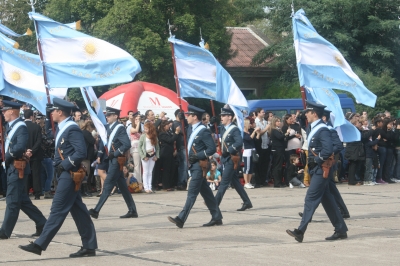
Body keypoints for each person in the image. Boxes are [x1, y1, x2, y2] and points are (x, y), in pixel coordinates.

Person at [19, 98, 97, 256]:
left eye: (53, 111)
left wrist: (65, 164)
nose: (51, 113)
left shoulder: (71, 128)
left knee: (57, 209)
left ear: (60, 112)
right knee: (79, 211)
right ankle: (89, 245)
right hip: (65, 173)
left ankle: (39, 244)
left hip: (68, 174)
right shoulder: (63, 127)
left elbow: (80, 152)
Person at [286, 101, 348, 243]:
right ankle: (341, 229)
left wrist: (318, 160)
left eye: (307, 112)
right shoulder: (313, 127)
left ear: (314, 113)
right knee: (328, 201)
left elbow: (328, 150)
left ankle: (300, 231)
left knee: (310, 198)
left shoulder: (323, 129)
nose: (305, 114)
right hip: (316, 169)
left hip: (322, 169)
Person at [168, 105, 222, 228]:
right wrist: (180, 120)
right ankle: (216, 216)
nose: (186, 117)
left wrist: (198, 155)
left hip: (199, 165)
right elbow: (183, 131)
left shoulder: (203, 131)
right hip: (193, 165)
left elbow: (211, 148)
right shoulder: (191, 128)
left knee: (192, 192)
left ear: (195, 117)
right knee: (206, 193)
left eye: (188, 115)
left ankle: (181, 218)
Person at [0, 101, 47, 240]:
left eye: (4, 111)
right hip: (12, 167)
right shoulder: (11, 126)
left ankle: (5, 231)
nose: (2, 113)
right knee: (22, 201)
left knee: (12, 200)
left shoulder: (20, 127)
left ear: (12, 112)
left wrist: (5, 157)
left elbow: (20, 147)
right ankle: (42, 222)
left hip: (16, 167)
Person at [89, 107, 138, 219]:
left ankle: (96, 210)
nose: (107, 117)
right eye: (107, 115)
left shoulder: (119, 128)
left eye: (109, 115)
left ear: (115, 116)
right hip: (111, 160)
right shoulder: (108, 127)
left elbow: (126, 144)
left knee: (107, 185)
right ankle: (132, 210)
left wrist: (115, 154)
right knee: (123, 187)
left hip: (116, 160)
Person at [215, 106, 253, 211]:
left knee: (224, 181)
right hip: (225, 158)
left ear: (230, 117)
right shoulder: (223, 128)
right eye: (221, 116)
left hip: (232, 158)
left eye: (223, 116)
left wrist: (229, 149)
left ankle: (215, 203)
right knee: (235, 181)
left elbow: (239, 142)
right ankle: (247, 201)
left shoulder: (234, 129)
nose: (221, 117)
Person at [24, 109, 43, 200]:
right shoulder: (36, 127)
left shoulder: (21, 126)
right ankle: (37, 193)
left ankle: (26, 192)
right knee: (36, 174)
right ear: (32, 116)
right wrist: (32, 150)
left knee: (25, 174)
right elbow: (39, 141)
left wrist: (26, 151)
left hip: (24, 155)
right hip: (35, 154)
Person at [157, 120, 180, 191]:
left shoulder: (169, 133)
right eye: (167, 125)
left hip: (170, 153)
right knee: (166, 170)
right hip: (165, 153)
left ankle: (170, 184)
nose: (168, 126)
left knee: (172, 168)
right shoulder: (162, 134)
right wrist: (176, 133)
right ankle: (166, 186)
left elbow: (173, 139)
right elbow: (170, 140)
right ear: (164, 126)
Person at [138, 122, 159, 193]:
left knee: (150, 172)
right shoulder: (143, 136)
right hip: (145, 155)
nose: (145, 130)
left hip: (153, 155)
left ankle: (150, 187)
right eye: (144, 129)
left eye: (146, 129)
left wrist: (157, 156)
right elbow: (139, 147)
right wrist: (143, 156)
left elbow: (157, 147)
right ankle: (146, 187)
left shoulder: (154, 136)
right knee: (145, 172)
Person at [269, 117, 288, 188]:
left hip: (281, 149)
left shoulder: (278, 130)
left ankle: (280, 181)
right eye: (277, 121)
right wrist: (286, 133)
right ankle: (277, 182)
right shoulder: (274, 130)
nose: (279, 122)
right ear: (274, 123)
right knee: (277, 166)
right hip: (277, 149)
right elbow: (280, 137)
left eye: (279, 121)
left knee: (280, 166)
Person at [254, 108, 271, 187]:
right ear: (258, 113)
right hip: (259, 145)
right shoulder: (256, 122)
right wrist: (266, 128)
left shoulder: (265, 121)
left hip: (266, 145)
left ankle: (264, 180)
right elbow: (259, 133)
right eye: (262, 112)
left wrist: (269, 129)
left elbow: (268, 133)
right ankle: (258, 181)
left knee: (265, 164)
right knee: (259, 164)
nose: (264, 113)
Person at [173, 109, 188, 190]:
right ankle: (181, 182)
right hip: (181, 146)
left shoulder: (183, 122)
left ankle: (184, 181)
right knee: (183, 166)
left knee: (185, 165)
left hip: (185, 145)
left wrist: (184, 120)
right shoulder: (175, 123)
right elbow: (183, 132)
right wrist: (184, 121)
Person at [243, 118, 259, 189]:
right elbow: (249, 138)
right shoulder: (243, 132)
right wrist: (254, 131)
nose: (250, 125)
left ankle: (249, 182)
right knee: (247, 167)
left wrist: (257, 133)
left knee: (251, 168)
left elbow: (256, 139)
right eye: (249, 123)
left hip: (252, 150)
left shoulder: (250, 131)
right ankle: (246, 182)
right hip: (247, 151)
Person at [129, 112, 142, 183]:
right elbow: (136, 130)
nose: (138, 120)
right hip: (135, 149)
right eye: (136, 119)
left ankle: (139, 181)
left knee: (139, 166)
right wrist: (138, 123)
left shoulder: (140, 130)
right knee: (137, 165)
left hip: (140, 149)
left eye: (139, 119)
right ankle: (137, 182)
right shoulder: (131, 128)